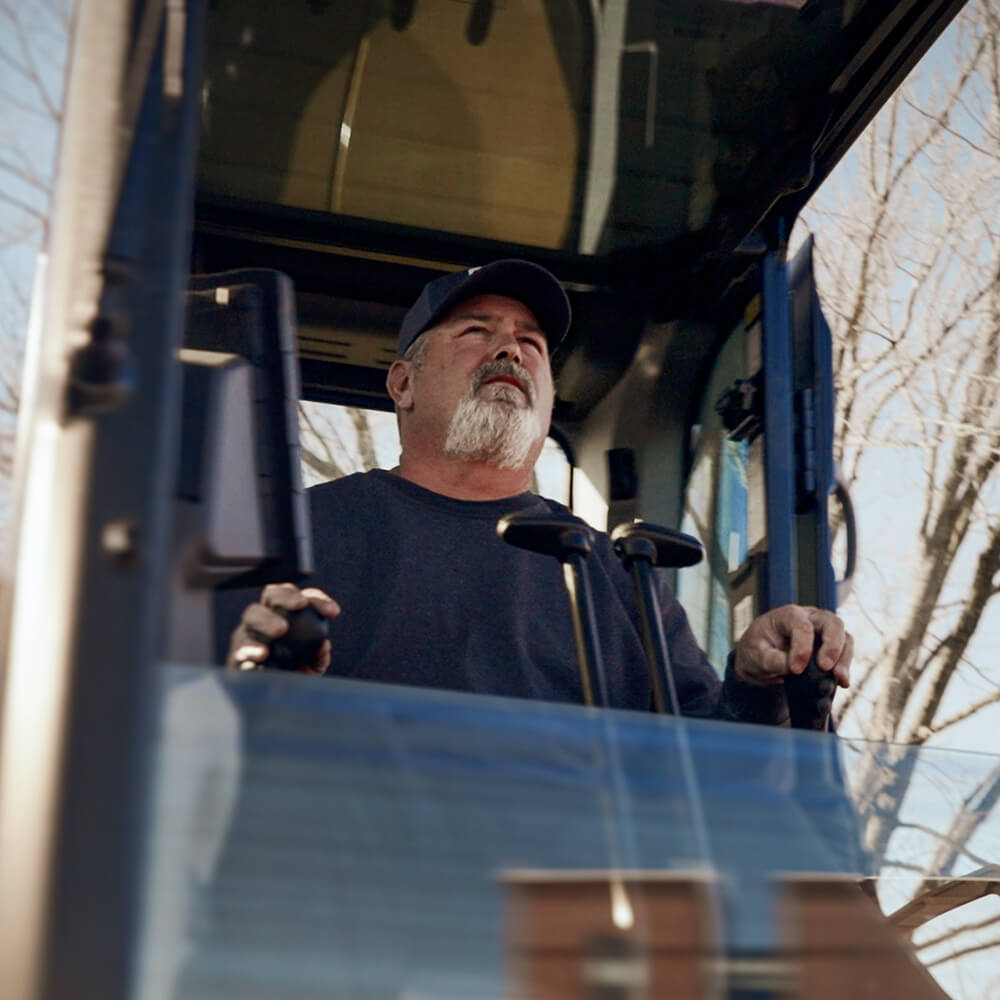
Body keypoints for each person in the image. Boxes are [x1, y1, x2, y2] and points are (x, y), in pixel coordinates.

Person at [225, 259, 852, 722]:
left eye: (532, 343)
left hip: (576, 897)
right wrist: (254, 680)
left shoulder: (618, 573)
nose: (510, 349)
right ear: (402, 384)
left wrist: (754, 679)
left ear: (549, 396)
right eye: (475, 331)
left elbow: (705, 781)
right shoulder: (303, 535)